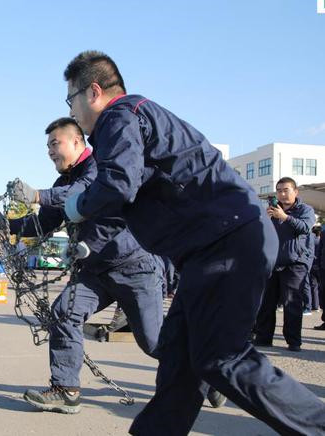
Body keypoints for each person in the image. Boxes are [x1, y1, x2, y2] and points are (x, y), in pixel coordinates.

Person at [60, 50, 325, 434]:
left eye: (71, 100)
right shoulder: (134, 120)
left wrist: (77, 206)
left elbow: (116, 185)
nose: (72, 110)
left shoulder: (120, 117)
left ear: (95, 91)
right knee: (179, 360)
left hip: (226, 243)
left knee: (222, 357)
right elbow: (125, 199)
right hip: (218, 245)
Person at [2, 116, 165, 414]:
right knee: (64, 312)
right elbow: (44, 222)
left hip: (134, 267)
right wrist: (7, 224)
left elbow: (85, 193)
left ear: (76, 142)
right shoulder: (62, 181)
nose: (50, 151)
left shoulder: (100, 167)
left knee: (153, 342)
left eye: (55, 143)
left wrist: (38, 195)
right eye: (47, 146)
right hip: (95, 271)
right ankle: (66, 389)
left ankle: (207, 377)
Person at [254, 178, 315, 351]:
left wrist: (285, 217)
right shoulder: (272, 211)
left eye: (286, 190)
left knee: (292, 303)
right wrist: (264, 219)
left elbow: (305, 227)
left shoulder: (305, 210)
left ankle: (294, 341)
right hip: (273, 263)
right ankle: (263, 337)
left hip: (295, 263)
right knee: (266, 303)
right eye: (279, 190)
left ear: (295, 192)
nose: (281, 193)